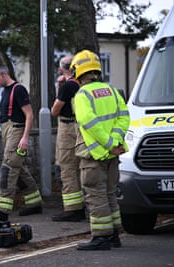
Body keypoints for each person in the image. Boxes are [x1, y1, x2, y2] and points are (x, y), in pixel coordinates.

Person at [71, 50, 130, 250]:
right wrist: (114, 141)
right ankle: (114, 235)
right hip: (113, 153)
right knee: (110, 193)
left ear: (78, 72)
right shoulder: (112, 90)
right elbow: (124, 117)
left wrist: (106, 143)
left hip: (93, 155)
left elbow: (89, 123)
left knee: (96, 195)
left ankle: (101, 237)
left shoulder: (82, 95)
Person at [0, 64, 43, 222]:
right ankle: (35, 203)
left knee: (8, 169)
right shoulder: (5, 91)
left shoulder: (18, 89)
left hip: (17, 131)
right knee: (19, 168)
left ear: (4, 75)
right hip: (7, 131)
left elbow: (29, 115)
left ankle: (2, 210)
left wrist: (25, 138)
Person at [50, 56, 86, 222]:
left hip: (67, 128)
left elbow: (55, 110)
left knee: (67, 166)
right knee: (81, 166)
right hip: (82, 127)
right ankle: (83, 204)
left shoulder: (67, 86)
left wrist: (61, 88)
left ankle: (73, 209)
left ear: (61, 70)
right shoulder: (83, 85)